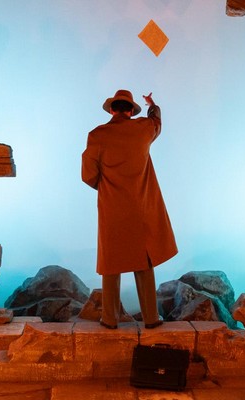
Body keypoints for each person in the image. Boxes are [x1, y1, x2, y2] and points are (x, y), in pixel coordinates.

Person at [82, 89, 178, 329]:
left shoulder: (97, 135)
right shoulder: (142, 129)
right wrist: (152, 104)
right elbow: (156, 122)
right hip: (140, 207)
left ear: (112, 109)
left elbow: (88, 175)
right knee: (143, 261)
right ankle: (151, 318)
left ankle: (109, 319)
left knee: (110, 263)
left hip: (111, 208)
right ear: (131, 111)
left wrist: (107, 186)